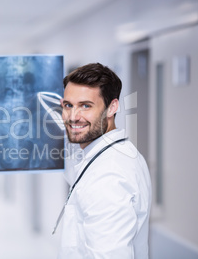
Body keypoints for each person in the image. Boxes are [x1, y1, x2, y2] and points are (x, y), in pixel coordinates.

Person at [57, 63, 152, 258]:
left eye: (85, 106)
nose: (73, 117)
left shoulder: (108, 175)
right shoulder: (113, 153)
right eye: (68, 105)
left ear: (112, 107)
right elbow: (76, 171)